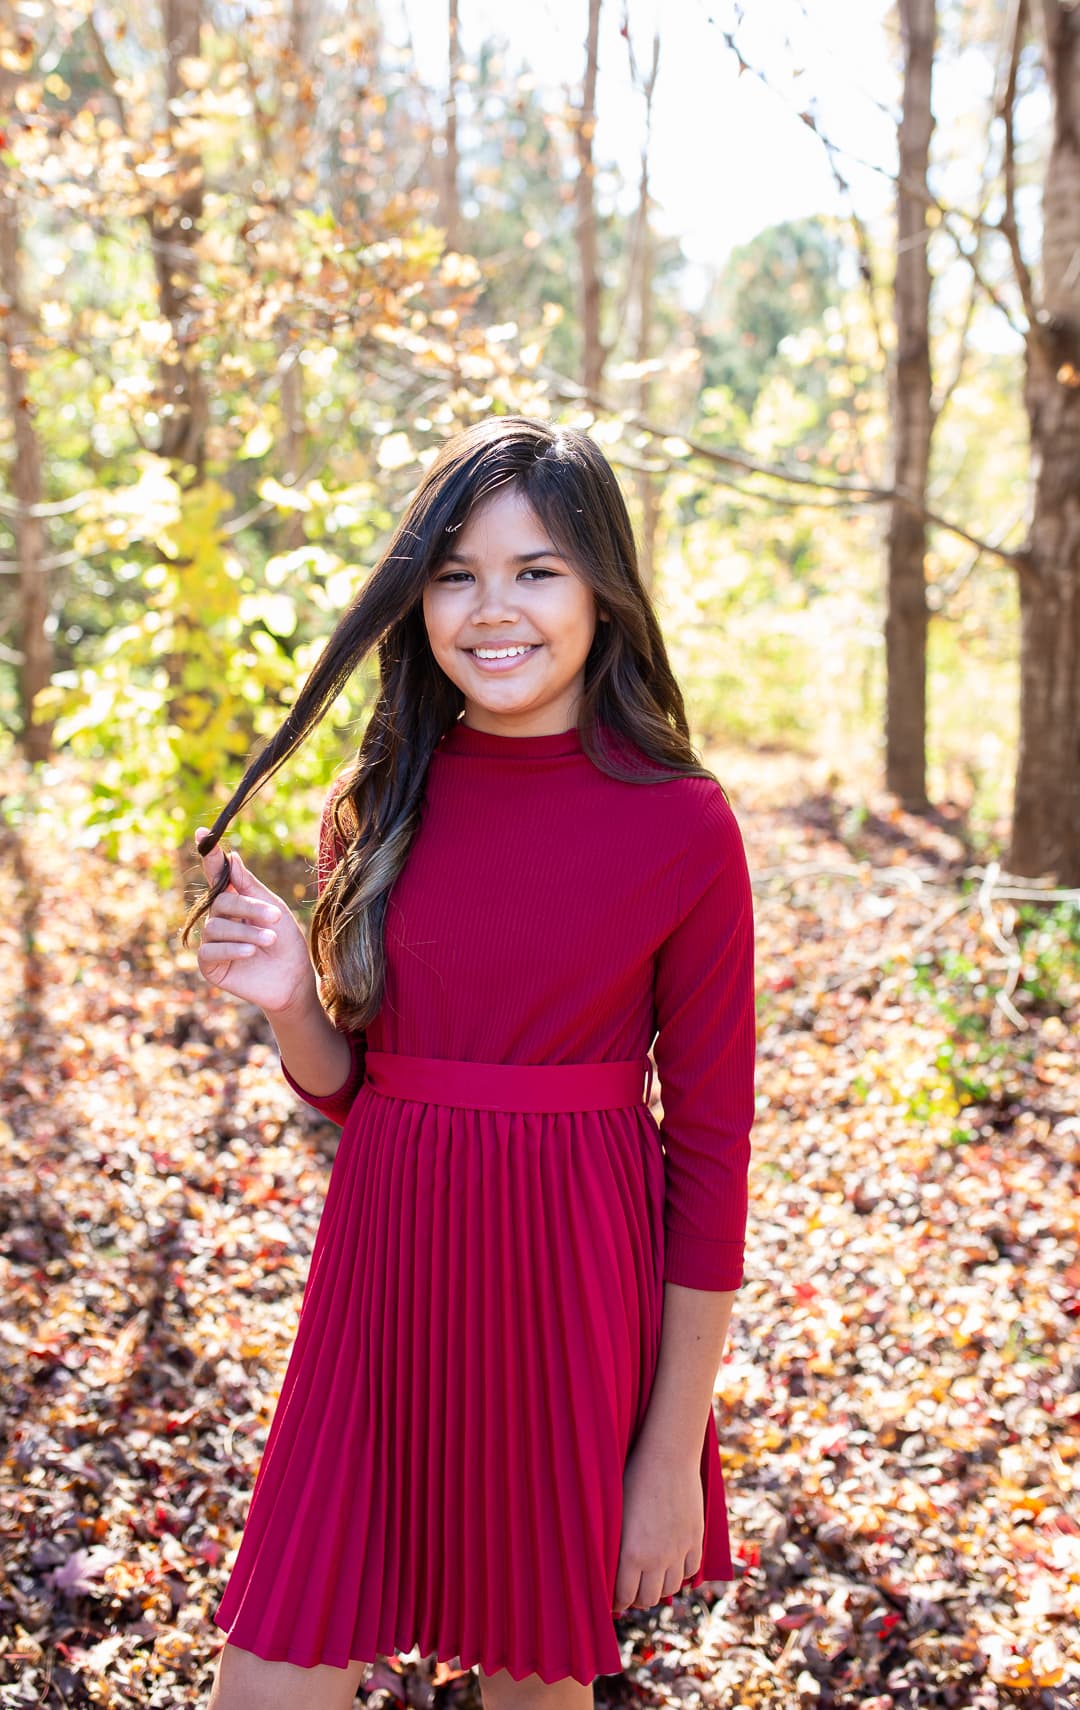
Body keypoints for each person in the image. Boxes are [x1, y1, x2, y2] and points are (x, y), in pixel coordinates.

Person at [182, 415, 757, 1710]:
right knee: (273, 1667)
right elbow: (359, 1084)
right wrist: (288, 998)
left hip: (570, 1288)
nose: (494, 608)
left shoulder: (683, 825)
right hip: (381, 1283)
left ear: (605, 589)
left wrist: (668, 1457)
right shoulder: (377, 801)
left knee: (531, 1682)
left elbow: (713, 1154)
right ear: (420, 597)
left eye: (537, 570)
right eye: (457, 573)